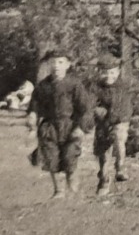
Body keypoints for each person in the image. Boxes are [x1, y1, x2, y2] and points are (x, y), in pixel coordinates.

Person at [27, 50, 94, 198]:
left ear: (68, 65)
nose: (56, 66)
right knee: (51, 159)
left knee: (70, 157)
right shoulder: (43, 86)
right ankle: (58, 191)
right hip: (50, 127)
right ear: (48, 64)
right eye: (53, 62)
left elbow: (86, 108)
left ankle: (73, 186)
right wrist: (32, 116)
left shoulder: (74, 84)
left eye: (61, 62)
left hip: (70, 126)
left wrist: (81, 127)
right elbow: (35, 105)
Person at [90, 54, 139, 197]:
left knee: (119, 139)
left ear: (118, 71)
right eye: (105, 73)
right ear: (99, 72)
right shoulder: (95, 86)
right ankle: (103, 181)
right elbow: (88, 102)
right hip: (103, 122)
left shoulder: (125, 82)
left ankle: (120, 168)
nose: (109, 76)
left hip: (121, 120)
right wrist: (96, 110)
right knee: (103, 153)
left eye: (112, 72)